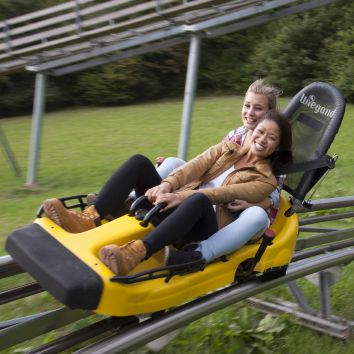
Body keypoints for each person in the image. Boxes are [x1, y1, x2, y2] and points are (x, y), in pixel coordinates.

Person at [43, 110, 292, 276]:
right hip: (178, 206)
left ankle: (135, 253)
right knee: (140, 162)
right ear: (252, 131)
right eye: (260, 132)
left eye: (271, 138)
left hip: (203, 224)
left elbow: (222, 194)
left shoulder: (266, 180)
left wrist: (178, 197)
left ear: (277, 146)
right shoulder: (228, 148)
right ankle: (88, 218)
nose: (262, 140)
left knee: (200, 198)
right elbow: (194, 165)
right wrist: (167, 185)